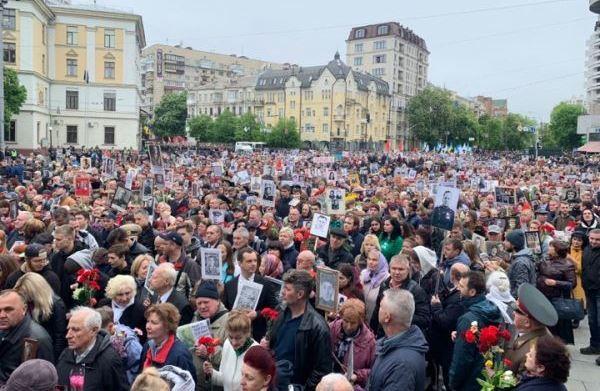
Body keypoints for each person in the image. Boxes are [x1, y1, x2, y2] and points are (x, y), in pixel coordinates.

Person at [263, 270, 331, 391]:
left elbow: (322, 370)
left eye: (288, 289)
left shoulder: (318, 327)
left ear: (300, 294)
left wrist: (302, 389)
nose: (282, 292)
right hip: (274, 381)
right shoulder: (280, 310)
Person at [449, 271, 503, 391]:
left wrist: (453, 383)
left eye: (462, 286)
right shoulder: (490, 308)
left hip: (470, 381)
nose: (458, 288)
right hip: (485, 376)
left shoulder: (468, 319)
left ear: (472, 292)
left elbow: (462, 359)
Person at [367, 289, 428, 391]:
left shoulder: (402, 366)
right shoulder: (390, 344)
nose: (378, 309)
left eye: (381, 307)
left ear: (387, 317)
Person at [56, 306, 128, 390]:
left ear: (93, 330)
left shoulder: (109, 361)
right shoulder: (65, 354)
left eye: (75, 330)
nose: (68, 336)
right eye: (69, 329)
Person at [222, 248, 277, 341]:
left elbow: (274, 307)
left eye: (255, 260)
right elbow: (225, 308)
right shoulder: (230, 285)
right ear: (239, 263)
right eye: (249, 261)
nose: (253, 264)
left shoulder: (265, 284)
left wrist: (257, 314)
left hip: (256, 333)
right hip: (234, 333)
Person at [370, 254, 430, 338]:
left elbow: (424, 319)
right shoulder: (384, 285)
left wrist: (400, 316)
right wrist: (372, 329)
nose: (397, 272)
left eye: (401, 269)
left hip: (403, 337)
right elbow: (377, 309)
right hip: (382, 336)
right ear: (389, 269)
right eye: (394, 268)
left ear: (408, 270)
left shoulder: (416, 290)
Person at [430, 262, 469, 390]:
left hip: (447, 344)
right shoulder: (456, 292)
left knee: (446, 376)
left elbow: (445, 320)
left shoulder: (459, 297)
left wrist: (436, 307)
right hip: (444, 343)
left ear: (452, 276)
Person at [0, 289, 54, 382]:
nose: (2, 315)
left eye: (8, 309)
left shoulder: (35, 339)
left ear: (24, 309)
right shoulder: (6, 328)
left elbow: (42, 382)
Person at [505, 283, 558, 376]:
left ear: (527, 322)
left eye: (517, 311)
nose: (513, 313)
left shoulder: (532, 354)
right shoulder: (534, 331)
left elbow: (520, 384)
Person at [13, 272, 67, 361]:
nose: (23, 297)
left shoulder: (56, 304)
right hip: (29, 346)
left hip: (47, 348)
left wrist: (56, 359)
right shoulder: (27, 302)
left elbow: (60, 336)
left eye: (25, 293)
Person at [140, 302, 196, 382]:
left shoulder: (180, 355)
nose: (148, 326)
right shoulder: (147, 346)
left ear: (167, 326)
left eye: (154, 323)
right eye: (148, 321)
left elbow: (188, 385)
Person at [203, 310, 258, 391]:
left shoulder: (257, 351)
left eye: (238, 338)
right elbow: (224, 380)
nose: (234, 342)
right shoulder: (227, 344)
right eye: (230, 337)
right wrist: (212, 373)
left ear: (247, 333)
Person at [328, 299, 376, 390]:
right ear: (341, 316)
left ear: (360, 321)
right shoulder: (332, 328)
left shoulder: (369, 341)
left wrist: (357, 375)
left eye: (353, 323)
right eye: (346, 321)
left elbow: (374, 370)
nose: (349, 327)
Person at [192, 280, 230, 389]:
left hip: (217, 385)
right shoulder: (196, 317)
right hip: (198, 383)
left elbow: (232, 357)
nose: (202, 306)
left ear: (217, 301)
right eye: (199, 303)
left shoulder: (229, 321)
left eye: (206, 302)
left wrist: (209, 352)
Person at [536, 240, 576, 344]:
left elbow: (572, 284)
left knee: (557, 326)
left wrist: (556, 283)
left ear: (557, 250)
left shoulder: (567, 265)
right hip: (543, 297)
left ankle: (557, 345)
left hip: (557, 299)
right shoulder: (545, 260)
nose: (548, 248)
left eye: (551, 247)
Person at [96, 306, 143, 385]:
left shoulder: (129, 341)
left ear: (111, 326)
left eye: (99, 332)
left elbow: (138, 365)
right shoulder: (112, 334)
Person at [580, 228, 600, 364]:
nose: (593, 241)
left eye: (597, 239)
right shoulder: (586, 249)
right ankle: (595, 346)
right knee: (592, 321)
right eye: (592, 238)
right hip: (589, 290)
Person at [504, 229, 536, 298]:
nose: (504, 243)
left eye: (506, 241)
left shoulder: (520, 263)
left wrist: (509, 301)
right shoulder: (519, 258)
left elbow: (521, 289)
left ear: (513, 244)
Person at [359, 249, 388, 324]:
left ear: (381, 261)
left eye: (375, 260)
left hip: (375, 320)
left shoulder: (386, 278)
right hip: (360, 317)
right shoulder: (364, 273)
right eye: (369, 259)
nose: (371, 262)